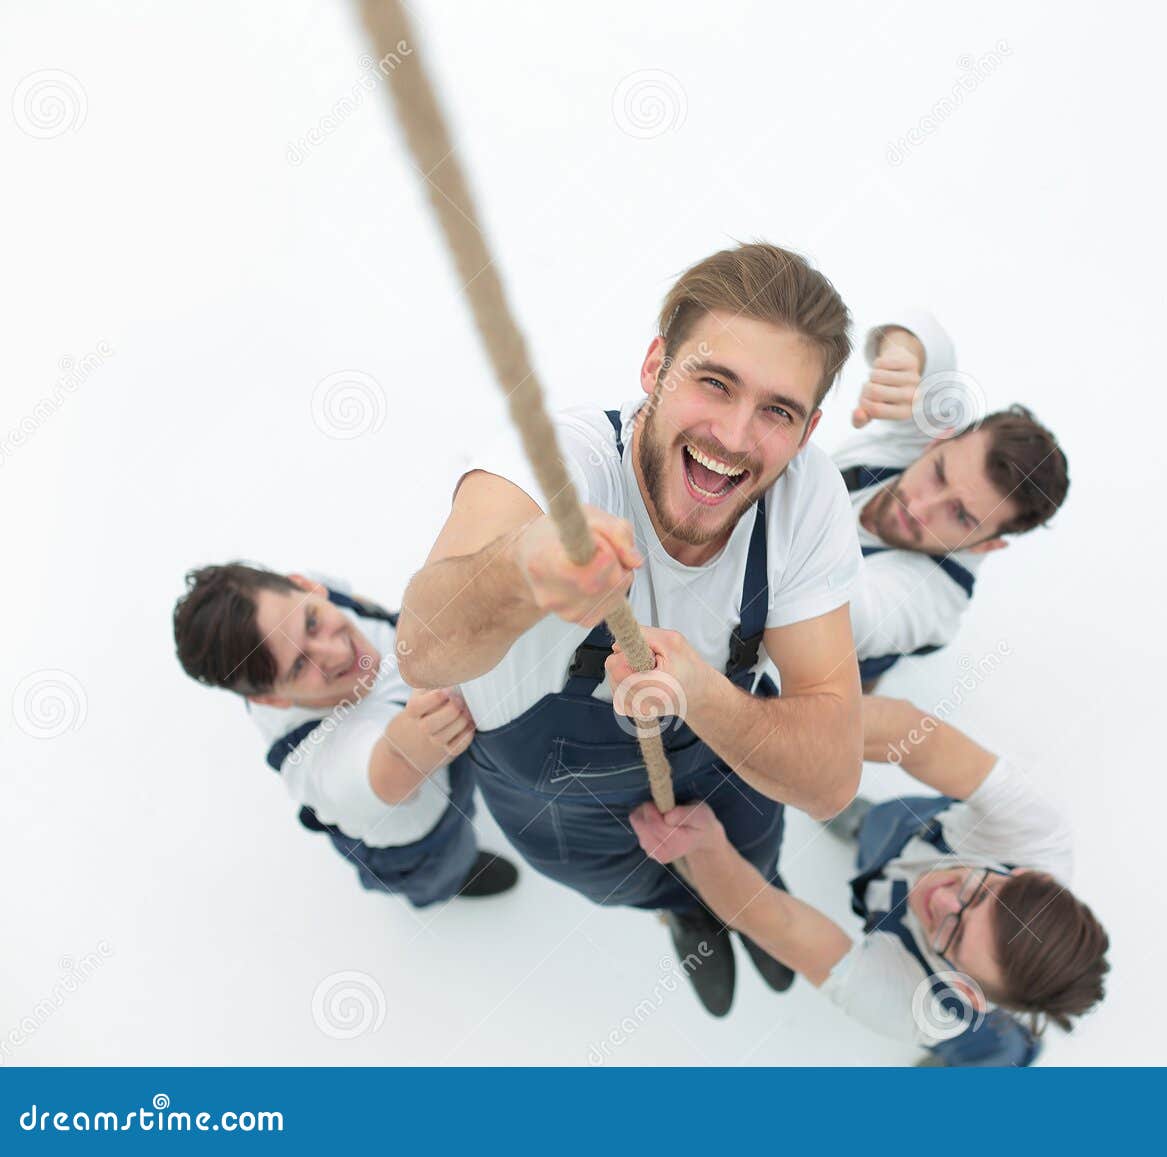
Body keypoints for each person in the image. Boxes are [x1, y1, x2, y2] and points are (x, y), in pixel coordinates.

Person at [397, 242, 865, 1015]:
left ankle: (750, 908)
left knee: (749, 859)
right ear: (655, 367)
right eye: (714, 382)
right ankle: (687, 913)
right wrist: (522, 571)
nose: (736, 436)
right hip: (560, 798)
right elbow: (421, 650)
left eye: (777, 411)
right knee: (647, 884)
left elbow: (827, 780)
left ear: (809, 430)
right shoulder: (553, 468)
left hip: (723, 755)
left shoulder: (806, 499)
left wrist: (701, 696)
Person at [629, 694, 1109, 1065]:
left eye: (953, 933)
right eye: (977, 892)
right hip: (913, 831)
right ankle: (862, 826)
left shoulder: (919, 1008)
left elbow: (778, 922)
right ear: (1021, 873)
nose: (941, 898)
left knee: (982, 1049)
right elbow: (915, 734)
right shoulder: (1038, 835)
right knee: (881, 826)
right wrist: (781, 732)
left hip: (966, 1027)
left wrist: (706, 846)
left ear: (966, 988)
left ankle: (1000, 1060)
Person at [172, 564, 518, 907]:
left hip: (450, 763)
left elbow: (360, 604)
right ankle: (454, 879)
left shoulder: (317, 594)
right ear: (271, 700)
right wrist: (431, 719)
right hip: (422, 840)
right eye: (299, 665)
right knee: (444, 868)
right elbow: (395, 761)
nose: (337, 652)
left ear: (306, 585)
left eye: (312, 622)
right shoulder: (318, 763)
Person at [834, 311, 1069, 688]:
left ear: (986, 545)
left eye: (960, 516)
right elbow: (928, 337)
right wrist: (902, 361)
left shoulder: (934, 599)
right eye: (938, 473)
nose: (920, 506)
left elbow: (836, 613)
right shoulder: (918, 439)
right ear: (939, 440)